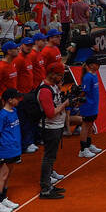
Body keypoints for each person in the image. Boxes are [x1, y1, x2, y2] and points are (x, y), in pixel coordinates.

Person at [35, 64, 72, 199]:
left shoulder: (53, 86)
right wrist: (65, 104)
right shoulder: (45, 90)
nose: (60, 78)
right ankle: (45, 189)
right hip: (50, 128)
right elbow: (50, 113)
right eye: (59, 75)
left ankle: (48, 184)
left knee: (51, 157)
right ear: (51, 74)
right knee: (48, 157)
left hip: (56, 126)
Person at [0, 89, 23, 212]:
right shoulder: (2, 116)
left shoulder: (14, 111)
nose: (18, 100)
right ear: (9, 100)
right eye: (16, 98)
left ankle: (3, 198)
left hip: (14, 148)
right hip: (5, 150)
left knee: (8, 175)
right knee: (2, 175)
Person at [77, 57, 103, 157]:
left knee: (90, 125)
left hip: (93, 105)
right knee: (85, 125)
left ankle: (88, 144)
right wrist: (79, 102)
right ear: (91, 65)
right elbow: (84, 92)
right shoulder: (88, 77)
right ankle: (83, 149)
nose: (98, 65)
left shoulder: (94, 75)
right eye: (97, 64)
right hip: (87, 105)